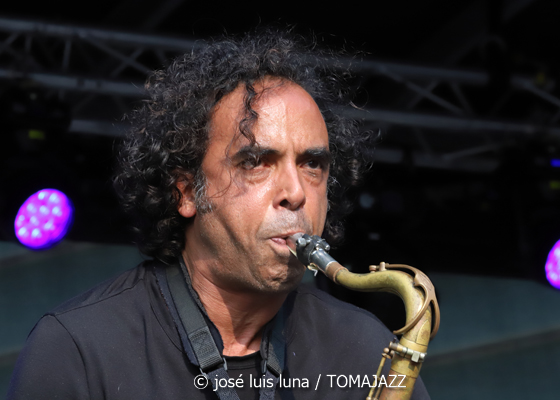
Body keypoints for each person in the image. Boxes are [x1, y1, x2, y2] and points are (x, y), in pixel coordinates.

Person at [7, 29, 430, 400]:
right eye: (256, 162)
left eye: (312, 164)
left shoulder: (361, 349)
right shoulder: (78, 348)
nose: (297, 193)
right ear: (187, 191)